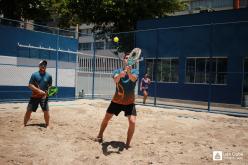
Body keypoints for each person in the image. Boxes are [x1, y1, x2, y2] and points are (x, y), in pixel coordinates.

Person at [96, 53, 139, 149]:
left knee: (132, 122)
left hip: (129, 103)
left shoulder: (135, 71)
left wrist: (129, 73)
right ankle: (100, 135)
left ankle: (127, 144)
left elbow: (133, 79)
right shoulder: (117, 71)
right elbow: (115, 80)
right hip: (117, 101)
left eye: (130, 58)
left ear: (133, 60)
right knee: (106, 118)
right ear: (123, 60)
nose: (128, 60)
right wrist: (120, 75)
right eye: (126, 58)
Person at [23, 60, 52, 128]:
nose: (43, 66)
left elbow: (50, 86)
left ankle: (47, 125)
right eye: (42, 64)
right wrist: (39, 91)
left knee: (46, 111)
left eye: (45, 65)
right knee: (29, 110)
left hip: (44, 97)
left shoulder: (49, 76)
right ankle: (24, 124)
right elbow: (30, 85)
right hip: (34, 96)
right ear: (39, 66)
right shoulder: (34, 75)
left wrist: (48, 92)